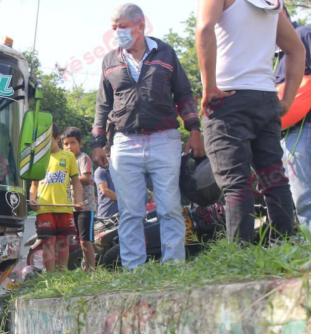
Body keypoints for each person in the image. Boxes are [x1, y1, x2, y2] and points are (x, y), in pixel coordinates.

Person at [92, 4, 204, 269]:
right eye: (114, 28)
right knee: (130, 213)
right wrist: (98, 143)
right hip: (124, 142)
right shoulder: (109, 60)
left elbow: (184, 94)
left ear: (141, 26)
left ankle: (174, 266)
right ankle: (134, 271)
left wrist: (195, 130)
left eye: (122, 27)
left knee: (169, 207)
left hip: (164, 139)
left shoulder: (165, 52)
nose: (117, 32)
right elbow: (102, 105)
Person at [197, 0, 304, 243]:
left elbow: (204, 29)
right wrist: (286, 100)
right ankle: (285, 244)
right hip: (265, 98)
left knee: (236, 183)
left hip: (229, 98)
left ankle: (240, 255)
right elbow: (296, 49)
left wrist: (209, 85)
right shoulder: (271, 2)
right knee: (274, 178)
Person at [29, 123, 84, 272]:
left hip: (64, 208)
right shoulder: (38, 159)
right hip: (44, 208)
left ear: (57, 138)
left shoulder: (68, 156)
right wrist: (32, 199)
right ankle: (50, 276)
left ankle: (62, 274)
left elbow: (76, 181)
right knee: (48, 242)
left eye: (48, 141)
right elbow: (34, 185)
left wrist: (78, 200)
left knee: (63, 242)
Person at [275, 7, 311, 233]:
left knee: (305, 199)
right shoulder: (272, 53)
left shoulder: (303, 34)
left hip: (303, 128)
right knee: (303, 199)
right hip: (288, 132)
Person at [61, 127, 97, 270]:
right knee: (72, 240)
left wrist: (68, 180)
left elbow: (86, 177)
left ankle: (92, 270)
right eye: (66, 144)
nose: (69, 147)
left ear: (80, 143)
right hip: (70, 207)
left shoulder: (83, 158)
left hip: (85, 206)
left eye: (73, 143)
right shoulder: (65, 160)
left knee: (85, 241)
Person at [95, 145, 120, 218]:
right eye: (108, 156)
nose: (110, 158)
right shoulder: (100, 171)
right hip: (107, 213)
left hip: (121, 212)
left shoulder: (120, 171)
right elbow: (105, 191)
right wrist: (124, 200)